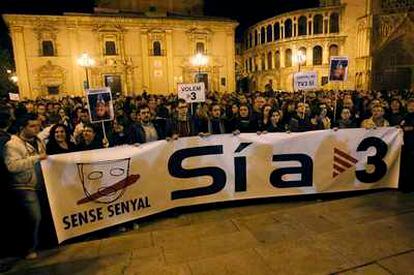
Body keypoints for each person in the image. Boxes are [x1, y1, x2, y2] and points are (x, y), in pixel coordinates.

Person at [3, 113, 47, 260]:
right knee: (34, 217)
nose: (36, 129)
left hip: (39, 183)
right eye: (32, 126)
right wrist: (35, 158)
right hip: (23, 186)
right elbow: (12, 166)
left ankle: (39, 244)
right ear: (22, 127)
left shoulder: (38, 140)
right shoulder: (12, 144)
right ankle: (28, 248)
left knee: (40, 217)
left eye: (37, 126)